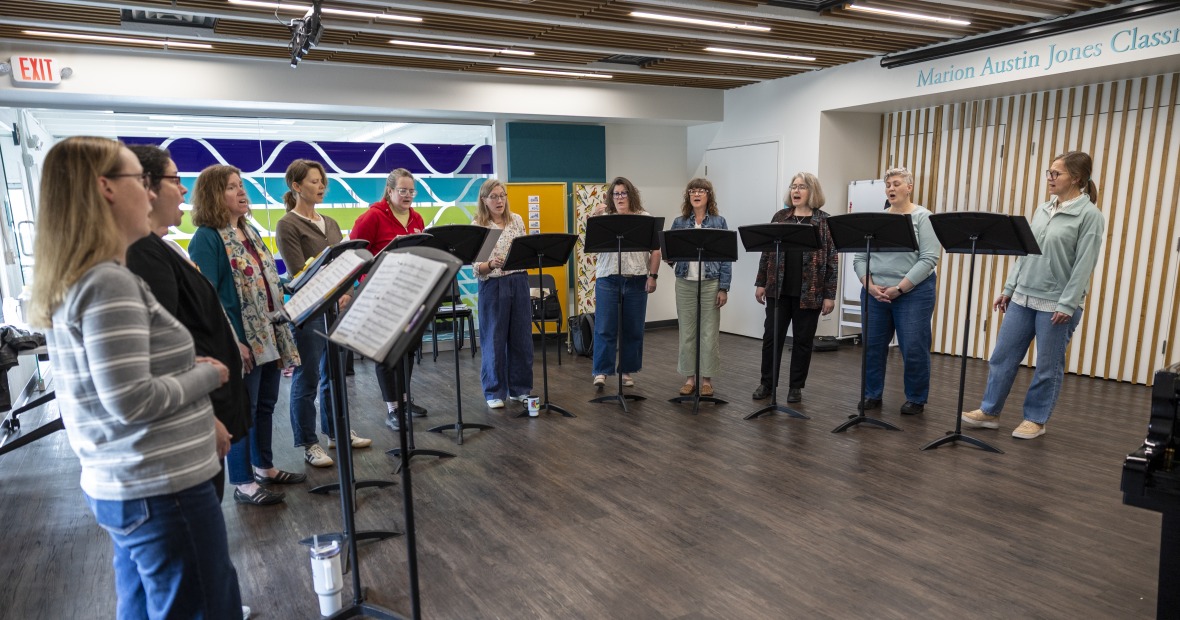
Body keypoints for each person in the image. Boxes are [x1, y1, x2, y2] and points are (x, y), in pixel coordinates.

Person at [29, 136, 243, 619]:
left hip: (134, 485)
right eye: (137, 182)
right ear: (105, 188)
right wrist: (206, 376)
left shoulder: (85, 275)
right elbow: (131, 400)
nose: (149, 195)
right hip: (161, 488)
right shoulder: (108, 282)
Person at [124, 144, 251, 503]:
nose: (183, 189)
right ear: (146, 186)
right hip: (190, 422)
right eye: (175, 179)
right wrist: (205, 420)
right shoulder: (142, 254)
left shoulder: (162, 247)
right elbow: (160, 355)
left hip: (202, 410)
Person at [962, 151, 1104, 440]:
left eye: (1056, 173)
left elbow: (1084, 265)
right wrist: (1008, 289)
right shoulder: (1042, 209)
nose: (1050, 178)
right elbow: (1024, 253)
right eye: (1049, 172)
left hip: (1057, 304)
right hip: (1023, 297)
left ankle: (1036, 420)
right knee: (1002, 357)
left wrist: (1067, 303)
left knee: (1047, 367)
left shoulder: (1090, 216)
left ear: (1075, 178)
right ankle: (990, 412)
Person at [189, 164, 305, 506]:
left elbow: (265, 279)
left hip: (269, 331)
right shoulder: (207, 238)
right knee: (244, 409)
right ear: (213, 195)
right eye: (230, 187)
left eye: (241, 185)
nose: (241, 192)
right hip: (240, 338)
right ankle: (242, 483)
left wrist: (296, 284)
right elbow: (208, 297)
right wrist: (233, 341)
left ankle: (264, 467)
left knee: (265, 405)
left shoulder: (249, 230)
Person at [274, 159, 371, 465]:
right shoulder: (287, 224)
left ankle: (336, 432)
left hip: (337, 308)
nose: (321, 187)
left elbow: (345, 264)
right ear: (296, 186)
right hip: (310, 311)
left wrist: (346, 292)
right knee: (308, 377)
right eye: (314, 181)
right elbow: (298, 272)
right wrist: (333, 293)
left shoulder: (329, 222)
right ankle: (308, 443)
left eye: (322, 181)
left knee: (335, 375)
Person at [852, 167, 941, 415]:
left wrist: (899, 289)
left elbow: (929, 258)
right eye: (888, 184)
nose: (891, 188)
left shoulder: (924, 217)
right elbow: (860, 257)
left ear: (909, 187)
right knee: (872, 346)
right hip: (875, 292)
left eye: (896, 183)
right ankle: (871, 394)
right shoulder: (877, 219)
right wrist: (868, 286)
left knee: (913, 346)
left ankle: (916, 398)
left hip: (913, 293)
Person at [350, 168, 429, 429]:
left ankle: (404, 400)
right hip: (380, 294)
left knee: (407, 349)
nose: (407, 195)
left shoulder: (416, 217)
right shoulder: (373, 217)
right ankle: (392, 409)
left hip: (410, 293)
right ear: (390, 191)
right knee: (386, 352)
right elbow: (355, 252)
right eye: (402, 190)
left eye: (411, 191)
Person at [752, 173, 838, 403]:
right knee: (772, 338)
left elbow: (832, 260)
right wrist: (761, 282)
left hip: (810, 292)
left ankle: (796, 387)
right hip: (777, 290)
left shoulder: (824, 221)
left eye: (802, 187)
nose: (796, 191)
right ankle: (767, 383)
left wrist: (829, 295)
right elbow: (767, 252)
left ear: (813, 192)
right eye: (793, 186)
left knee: (802, 341)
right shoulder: (780, 217)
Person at [590, 176, 661, 388]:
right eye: (616, 194)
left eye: (624, 193)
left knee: (633, 328)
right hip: (607, 278)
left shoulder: (645, 218)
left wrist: (653, 276)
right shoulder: (604, 217)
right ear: (611, 197)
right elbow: (592, 245)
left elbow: (656, 251)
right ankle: (601, 371)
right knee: (604, 327)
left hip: (637, 279)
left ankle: (627, 371)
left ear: (631, 195)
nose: (620, 197)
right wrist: (594, 218)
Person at [471, 179, 534, 408]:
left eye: (502, 195)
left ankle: (520, 389)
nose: (499, 200)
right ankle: (494, 392)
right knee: (494, 339)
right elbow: (477, 267)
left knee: (521, 337)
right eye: (494, 197)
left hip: (518, 281)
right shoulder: (480, 225)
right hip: (493, 284)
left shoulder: (516, 220)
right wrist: (491, 264)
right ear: (484, 200)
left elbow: (525, 251)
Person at [668, 178, 730, 397]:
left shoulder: (719, 222)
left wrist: (724, 287)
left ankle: (706, 380)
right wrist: (669, 255)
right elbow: (670, 255)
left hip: (711, 283)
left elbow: (726, 258)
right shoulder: (679, 222)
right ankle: (689, 378)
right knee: (686, 332)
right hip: (685, 283)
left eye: (701, 191)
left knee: (709, 333)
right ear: (688, 196)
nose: (696, 194)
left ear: (708, 195)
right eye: (692, 190)